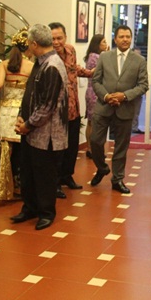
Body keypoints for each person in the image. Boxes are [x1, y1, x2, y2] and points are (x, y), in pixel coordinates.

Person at [11, 24, 69, 231]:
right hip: (31, 132)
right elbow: (30, 94)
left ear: (34, 44)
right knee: (28, 173)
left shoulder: (52, 66)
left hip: (46, 135)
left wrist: (27, 125)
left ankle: (46, 213)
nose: (27, 46)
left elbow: (47, 106)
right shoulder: (40, 62)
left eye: (29, 43)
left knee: (44, 177)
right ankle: (30, 208)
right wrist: (21, 117)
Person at [88, 25, 149, 194]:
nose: (125, 39)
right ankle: (102, 168)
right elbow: (96, 81)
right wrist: (107, 96)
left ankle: (117, 179)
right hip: (104, 106)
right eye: (121, 36)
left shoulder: (139, 60)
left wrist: (125, 96)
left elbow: (143, 85)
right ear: (115, 39)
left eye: (128, 36)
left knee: (121, 147)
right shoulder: (104, 57)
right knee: (95, 141)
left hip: (125, 108)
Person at [0, 28, 34, 200]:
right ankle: (21, 185)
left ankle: (7, 186)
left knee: (6, 151)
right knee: (22, 151)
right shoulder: (31, 66)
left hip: (6, 111)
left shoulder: (4, 64)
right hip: (22, 111)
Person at [49, 22, 93, 196]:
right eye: (52, 39)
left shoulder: (70, 50)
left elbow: (74, 69)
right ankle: (55, 182)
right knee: (57, 150)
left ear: (65, 37)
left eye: (59, 38)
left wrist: (90, 72)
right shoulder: (47, 57)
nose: (56, 42)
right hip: (57, 113)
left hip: (74, 108)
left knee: (72, 147)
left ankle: (67, 176)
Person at [83, 34, 108, 158]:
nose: (106, 44)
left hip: (90, 91)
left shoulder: (92, 56)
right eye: (104, 42)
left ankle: (90, 148)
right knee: (95, 123)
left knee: (91, 122)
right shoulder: (96, 57)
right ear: (97, 44)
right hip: (95, 93)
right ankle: (93, 150)